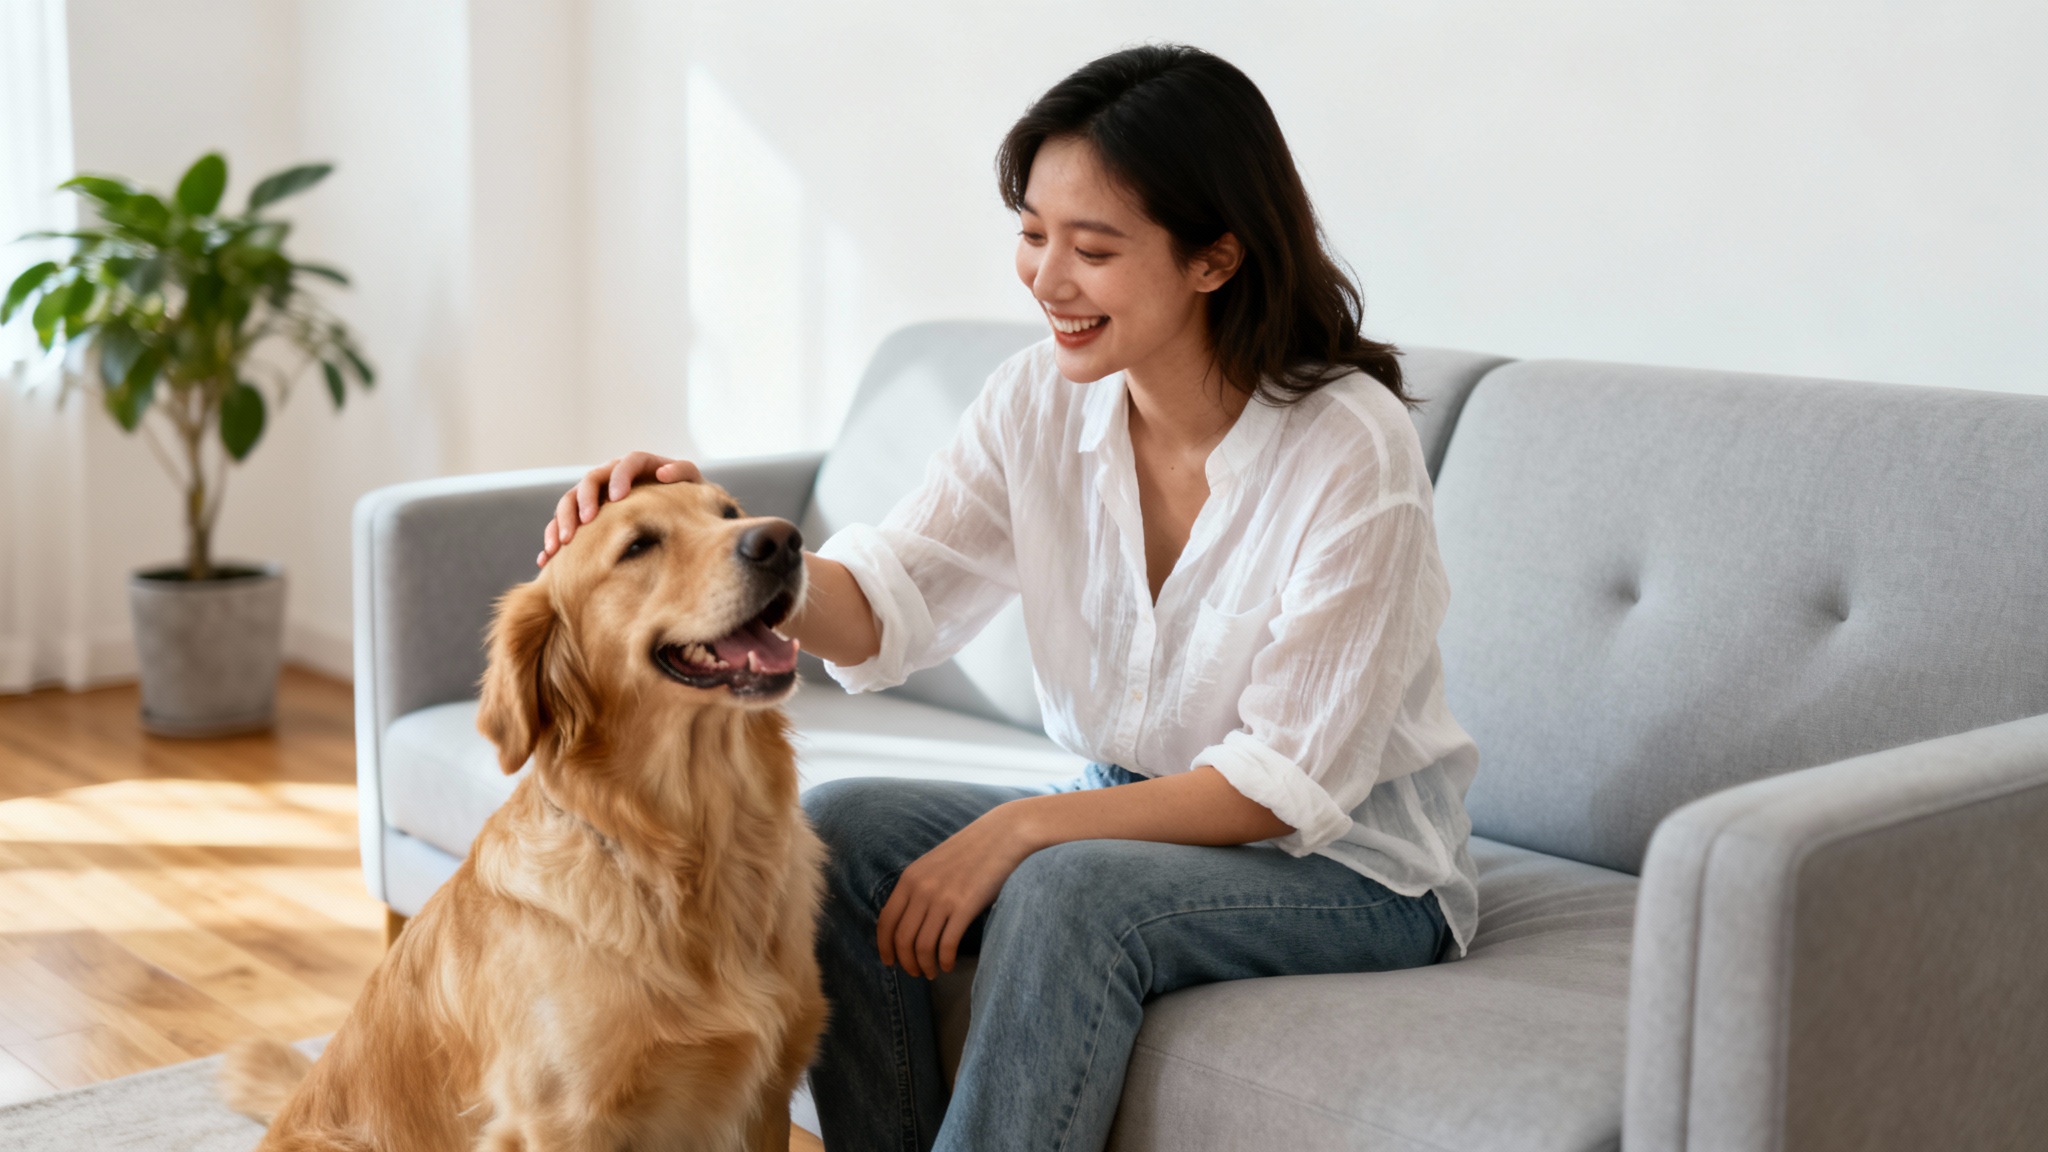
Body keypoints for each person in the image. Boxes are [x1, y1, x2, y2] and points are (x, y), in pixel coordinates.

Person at [539, 43, 1478, 1152]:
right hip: (1128, 809)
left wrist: (1027, 828)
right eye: (1031, 235)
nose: (1045, 280)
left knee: (1062, 892)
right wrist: (724, 543)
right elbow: (886, 603)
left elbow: (1282, 783)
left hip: (1346, 867)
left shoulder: (1345, 447)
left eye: (1092, 248)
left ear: (1214, 258)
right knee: (836, 836)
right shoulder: (1040, 399)